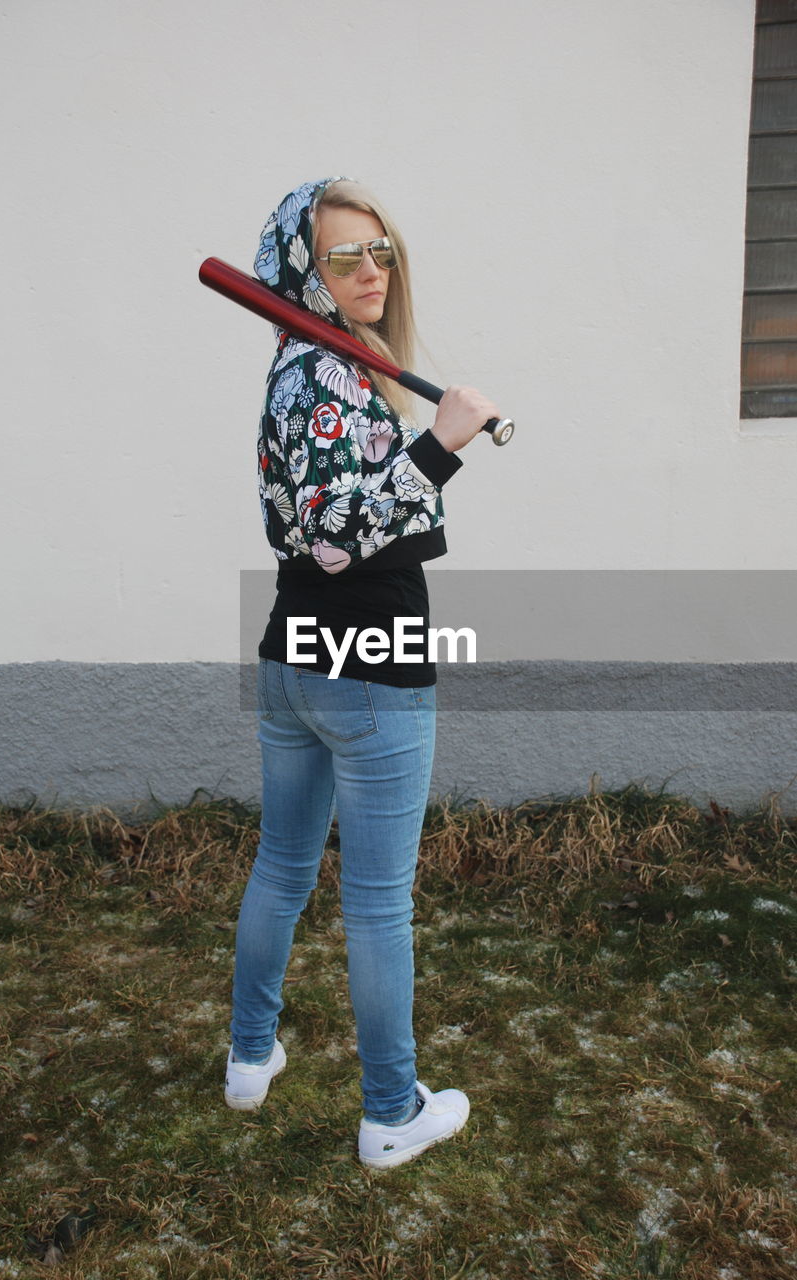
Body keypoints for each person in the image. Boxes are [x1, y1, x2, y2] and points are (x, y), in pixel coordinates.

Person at [225, 177, 499, 1169]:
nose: (369, 270)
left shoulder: (299, 367)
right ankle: (391, 1112)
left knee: (282, 866)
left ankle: (248, 1056)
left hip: (293, 656)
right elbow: (343, 540)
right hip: (367, 659)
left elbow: (325, 521)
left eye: (378, 249)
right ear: (304, 269)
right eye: (343, 256)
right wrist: (440, 442)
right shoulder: (331, 376)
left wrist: (429, 453)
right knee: (379, 897)